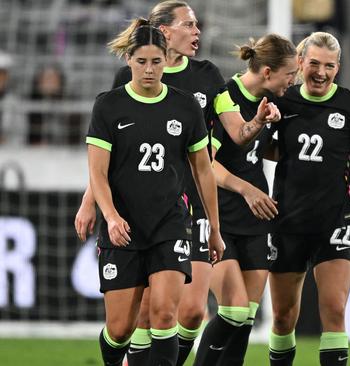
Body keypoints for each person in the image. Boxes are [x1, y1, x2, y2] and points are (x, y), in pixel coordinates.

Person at [75, 2, 279, 365]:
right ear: (165, 31)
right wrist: (92, 203)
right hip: (130, 209)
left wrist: (258, 122)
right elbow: (107, 158)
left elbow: (230, 139)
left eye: (198, 24)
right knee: (130, 321)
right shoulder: (121, 90)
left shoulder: (205, 79)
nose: (197, 32)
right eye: (189, 24)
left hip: (184, 210)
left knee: (184, 312)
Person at [87, 23, 224, 366]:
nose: (149, 70)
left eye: (156, 62)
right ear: (128, 60)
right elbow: (98, 173)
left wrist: (215, 229)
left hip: (170, 224)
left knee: (165, 315)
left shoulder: (185, 106)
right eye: (141, 61)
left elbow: (203, 169)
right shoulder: (109, 106)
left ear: (166, 60)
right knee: (120, 329)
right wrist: (111, 215)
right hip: (124, 227)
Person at [267, 31, 350, 366]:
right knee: (284, 317)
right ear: (300, 62)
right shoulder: (282, 103)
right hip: (287, 220)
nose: (321, 72)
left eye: (329, 66)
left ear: (338, 68)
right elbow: (267, 150)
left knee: (334, 308)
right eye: (314, 63)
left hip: (335, 220)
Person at [192, 34, 298, 366]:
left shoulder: (269, 103)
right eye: (289, 74)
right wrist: (248, 189)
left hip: (255, 219)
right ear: (267, 72)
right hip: (219, 215)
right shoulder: (224, 97)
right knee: (234, 309)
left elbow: (254, 149)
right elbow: (208, 163)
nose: (292, 82)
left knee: (245, 319)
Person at [27, 64, 83, 145]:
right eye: (46, 79)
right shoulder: (30, 102)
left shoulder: (69, 103)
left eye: (53, 78)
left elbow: (75, 134)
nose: (49, 82)